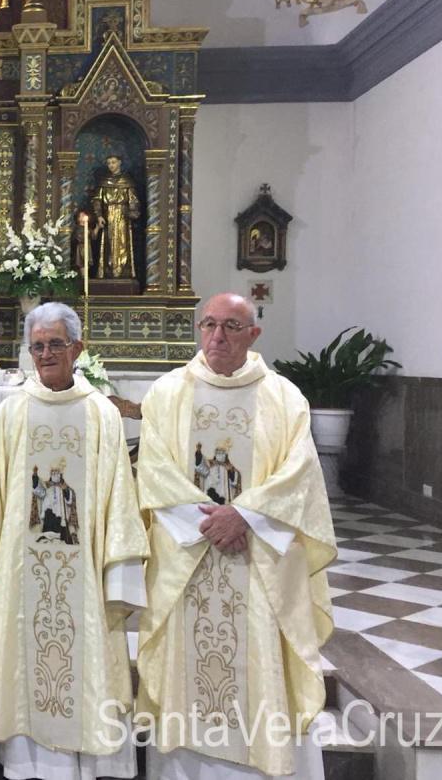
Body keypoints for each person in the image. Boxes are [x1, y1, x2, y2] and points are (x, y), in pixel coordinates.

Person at [136, 293, 336, 779]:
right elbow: (154, 470)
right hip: (190, 557)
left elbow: (300, 475)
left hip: (258, 560)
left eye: (230, 326)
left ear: (254, 334)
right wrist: (210, 525)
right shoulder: (167, 393)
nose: (217, 337)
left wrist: (244, 518)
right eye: (208, 324)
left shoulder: (284, 398)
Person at [0, 302, 148, 780]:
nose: (46, 354)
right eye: (38, 346)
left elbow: (118, 496)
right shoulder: (11, 414)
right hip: (21, 567)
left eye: (56, 344)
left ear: (78, 347)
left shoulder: (100, 415)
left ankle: (88, 763)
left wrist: (118, 571)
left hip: (84, 571)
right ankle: (29, 765)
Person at [90, 155, 141, 281]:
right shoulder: (104, 181)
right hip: (108, 216)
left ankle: (124, 271)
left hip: (123, 216)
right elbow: (97, 200)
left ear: (120, 162)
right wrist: (99, 215)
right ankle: (108, 271)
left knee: (123, 243)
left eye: (113, 162)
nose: (111, 165)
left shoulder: (127, 180)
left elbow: (133, 200)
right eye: (108, 163)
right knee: (108, 244)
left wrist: (132, 212)